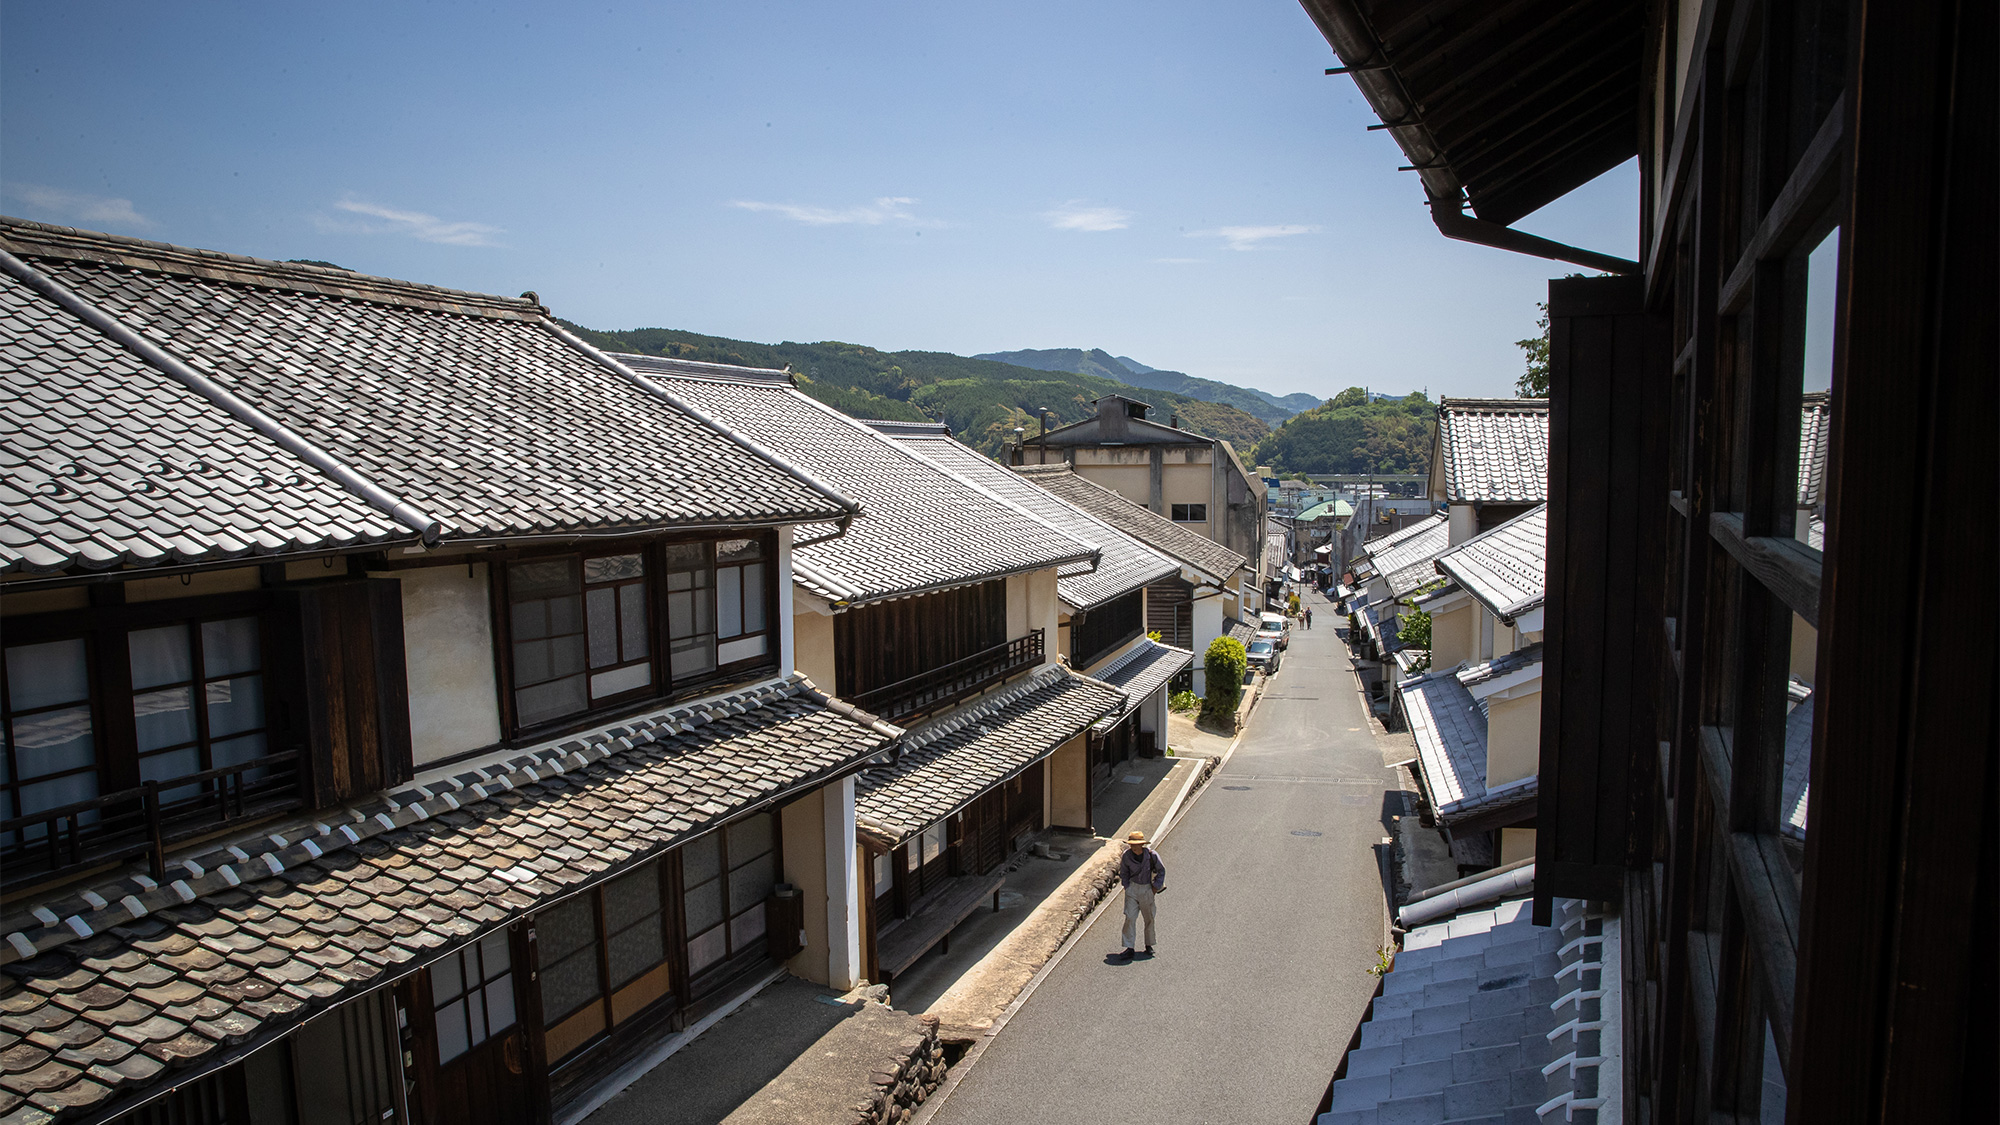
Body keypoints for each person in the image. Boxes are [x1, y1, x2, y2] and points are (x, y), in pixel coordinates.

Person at [1117, 830, 1166, 959]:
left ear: (1142, 845)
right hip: (1133, 888)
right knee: (1130, 917)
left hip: (1147, 888)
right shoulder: (1126, 856)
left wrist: (1155, 888)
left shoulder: (1151, 855)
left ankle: (1149, 944)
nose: (1134, 847)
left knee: (1149, 918)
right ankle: (1129, 947)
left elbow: (1161, 871)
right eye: (1132, 844)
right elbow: (1124, 872)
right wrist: (1127, 886)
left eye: (1136, 844)